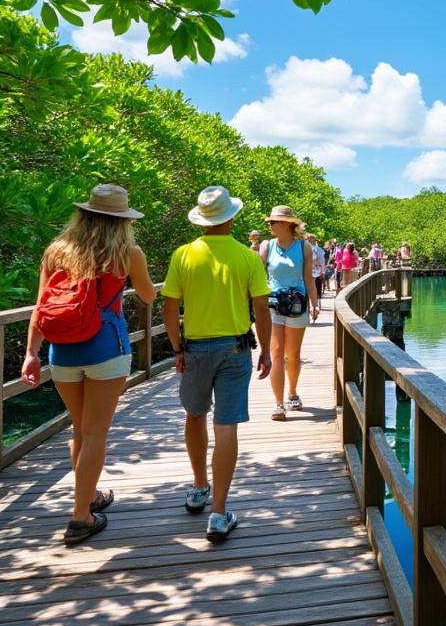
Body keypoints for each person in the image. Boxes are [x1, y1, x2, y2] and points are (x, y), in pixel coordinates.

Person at [21, 183, 156, 546]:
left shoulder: (56, 251)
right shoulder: (128, 252)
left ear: (83, 214)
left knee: (79, 429)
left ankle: (90, 496)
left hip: (61, 350)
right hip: (106, 349)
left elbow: (39, 305)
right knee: (95, 432)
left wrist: (31, 353)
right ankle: (81, 517)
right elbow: (147, 295)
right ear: (123, 219)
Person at [162, 185, 272, 543]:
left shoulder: (183, 254)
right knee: (227, 428)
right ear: (232, 217)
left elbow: (169, 308)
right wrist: (267, 350)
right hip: (236, 350)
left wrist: (178, 349)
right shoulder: (247, 257)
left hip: (194, 350)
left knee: (194, 416)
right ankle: (219, 513)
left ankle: (198, 488)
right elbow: (260, 309)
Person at [260, 205, 319, 420]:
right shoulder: (266, 246)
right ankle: (278, 404)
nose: (270, 225)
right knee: (276, 353)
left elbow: (308, 278)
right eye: (270, 222)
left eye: (273, 222)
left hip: (296, 305)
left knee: (292, 355)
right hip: (273, 305)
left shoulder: (304, 247)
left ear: (286, 224)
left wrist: (315, 302)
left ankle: (292, 393)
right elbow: (260, 278)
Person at [307, 233, 327, 300]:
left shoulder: (305, 248)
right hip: (317, 271)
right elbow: (322, 262)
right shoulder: (319, 250)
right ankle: (316, 301)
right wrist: (323, 272)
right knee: (317, 286)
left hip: (307, 271)